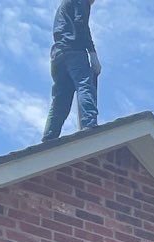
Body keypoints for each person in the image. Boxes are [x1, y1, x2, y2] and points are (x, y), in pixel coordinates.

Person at [42, 0, 100, 141]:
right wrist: (92, 53)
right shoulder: (81, 1)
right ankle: (89, 124)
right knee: (85, 85)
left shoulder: (65, 4)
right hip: (74, 51)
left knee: (61, 98)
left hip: (58, 54)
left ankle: (49, 137)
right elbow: (81, 24)